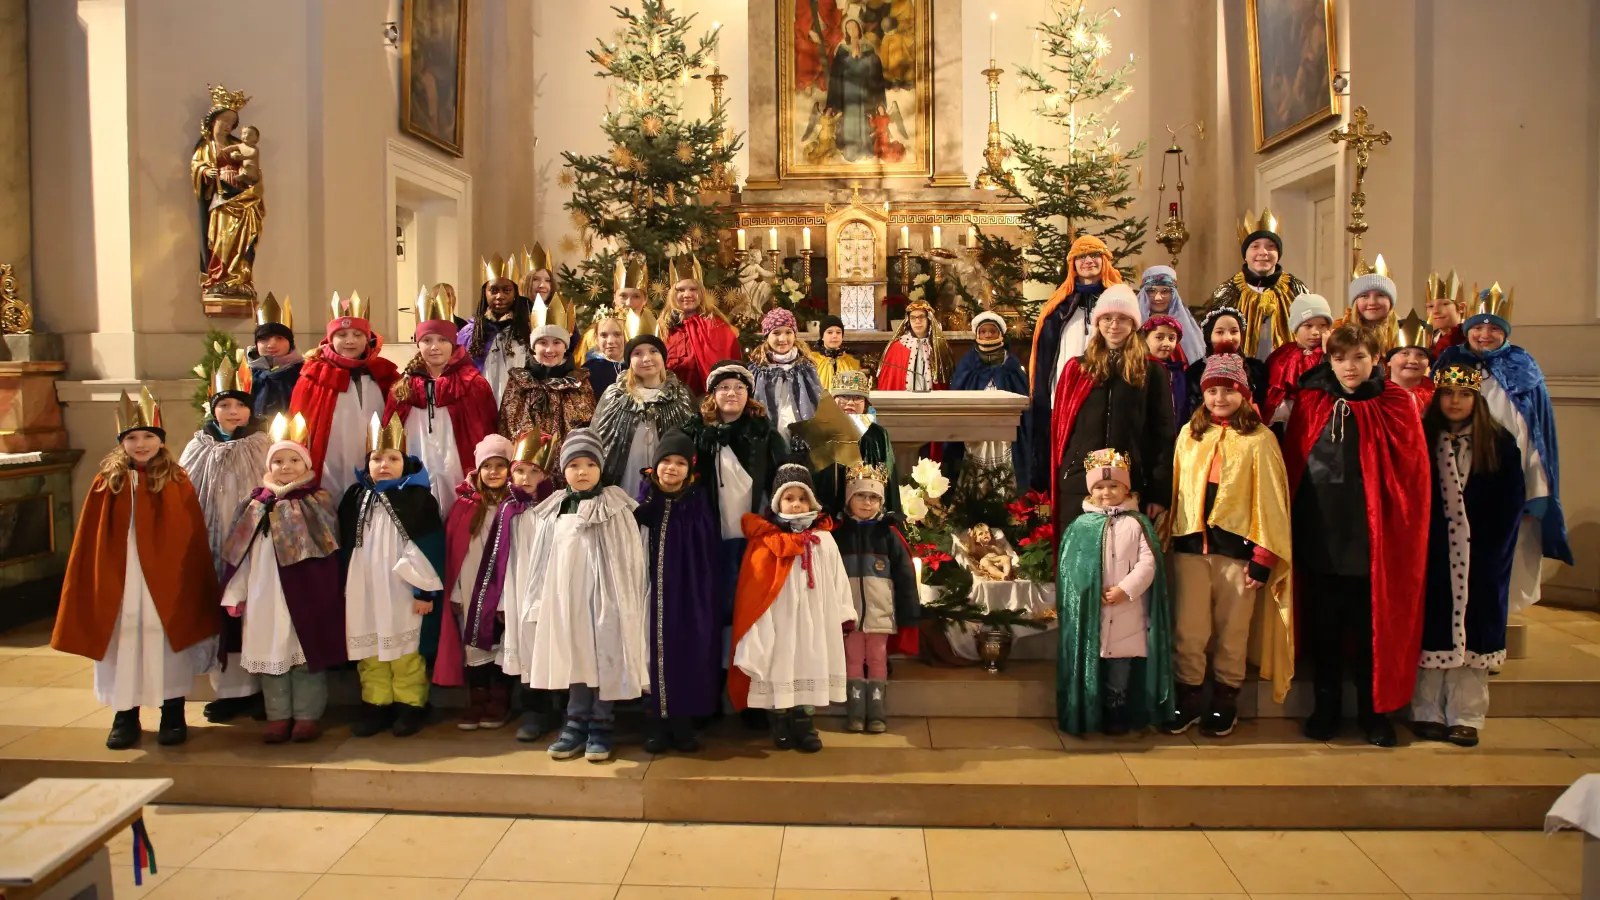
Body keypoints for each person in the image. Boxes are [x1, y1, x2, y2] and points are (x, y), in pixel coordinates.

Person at [1284, 324, 1429, 746]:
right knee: (1326, 628)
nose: (1350, 366)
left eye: (1359, 357)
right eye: (1341, 358)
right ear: (1329, 361)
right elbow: (1293, 466)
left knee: (1371, 631)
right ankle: (1326, 708)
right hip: (1321, 533)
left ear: (1376, 360)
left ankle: (1374, 713)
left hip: (1375, 539)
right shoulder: (1312, 402)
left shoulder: (1396, 403)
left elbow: (1412, 477)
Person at [53, 388, 219, 750]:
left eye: (148, 436)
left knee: (164, 638)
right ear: (122, 442)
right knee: (122, 638)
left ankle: (172, 711)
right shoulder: (106, 483)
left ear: (161, 440)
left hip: (165, 581)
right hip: (122, 577)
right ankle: (124, 713)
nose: (140, 443)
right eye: (132, 437)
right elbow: (91, 542)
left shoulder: (177, 481)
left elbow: (188, 538)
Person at [1165, 355, 1294, 738]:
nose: (1220, 398)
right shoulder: (1191, 434)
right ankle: (1188, 695)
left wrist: (1263, 556)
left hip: (1238, 552)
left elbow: (1270, 499)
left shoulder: (1260, 439)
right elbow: (1177, 490)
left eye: (1228, 390)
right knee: (1189, 627)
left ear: (1243, 393)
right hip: (1191, 546)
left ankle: (1225, 697)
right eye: (1212, 391)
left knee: (1232, 629)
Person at [1434, 284, 1572, 610]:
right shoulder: (1450, 361)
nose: (1484, 334)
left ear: (1505, 332)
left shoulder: (1522, 366)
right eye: (1478, 327)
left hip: (1508, 472)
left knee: (1501, 557)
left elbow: (1539, 433)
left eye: (1494, 328)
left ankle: (1494, 627)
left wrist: (1535, 491)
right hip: (1454, 470)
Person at [1413, 362, 1525, 748]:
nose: (1455, 401)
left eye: (1463, 395)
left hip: (1483, 556)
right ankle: (1427, 711)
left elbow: (1510, 504)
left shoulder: (1498, 443)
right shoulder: (1423, 439)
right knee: (1433, 629)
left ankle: (1467, 714)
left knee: (1475, 634)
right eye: (1448, 394)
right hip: (1434, 554)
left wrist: (1492, 551)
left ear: (1475, 399)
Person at [521, 429, 649, 763]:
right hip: (567, 601)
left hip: (606, 600)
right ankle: (575, 722)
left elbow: (630, 558)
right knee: (575, 659)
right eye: (574, 465)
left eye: (590, 464)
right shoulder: (554, 510)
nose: (582, 471)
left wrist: (626, 602)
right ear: (563, 471)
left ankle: (601, 725)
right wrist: (537, 601)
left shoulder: (616, 507)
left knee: (602, 658)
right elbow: (540, 560)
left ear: (600, 468)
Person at [217, 413, 344, 744]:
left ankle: (306, 716)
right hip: (264, 597)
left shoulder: (318, 501)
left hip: (307, 597)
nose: (285, 467)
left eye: (293, 461)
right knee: (271, 659)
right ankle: (277, 716)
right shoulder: (256, 505)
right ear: (268, 467)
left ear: (306, 466)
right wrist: (236, 592)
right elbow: (239, 553)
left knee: (305, 658)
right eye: (278, 461)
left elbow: (328, 553)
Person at [730, 464, 855, 752]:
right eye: (789, 497)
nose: (796, 503)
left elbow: (837, 577)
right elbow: (756, 585)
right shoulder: (767, 540)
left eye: (802, 497)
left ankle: (804, 722)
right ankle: (779, 719)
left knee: (809, 663)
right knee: (780, 666)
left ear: (812, 501)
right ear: (777, 502)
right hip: (780, 620)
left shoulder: (823, 539)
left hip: (814, 619)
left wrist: (843, 614)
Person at [340, 412, 447, 739]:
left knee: (405, 652)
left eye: (392, 458)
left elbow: (428, 546)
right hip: (364, 589)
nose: (383, 464)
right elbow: (346, 546)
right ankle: (376, 705)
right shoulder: (354, 498)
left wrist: (424, 591)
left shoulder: (417, 499)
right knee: (370, 650)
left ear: (405, 461)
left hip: (403, 590)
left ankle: (410, 705)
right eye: (376, 458)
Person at [1055, 448, 1173, 736]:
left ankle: (1117, 709)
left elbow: (1149, 564)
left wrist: (1125, 589)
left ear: (1126, 488)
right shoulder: (1080, 526)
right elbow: (1070, 569)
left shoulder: (1137, 524)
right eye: (1099, 487)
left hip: (1127, 612)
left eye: (1113, 486)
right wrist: (1087, 591)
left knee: (1120, 666)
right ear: (1090, 491)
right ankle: (1092, 710)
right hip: (1093, 612)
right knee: (1093, 662)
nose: (1106, 493)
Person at [179, 351, 269, 723]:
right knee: (223, 616)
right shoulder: (198, 446)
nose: (233, 412)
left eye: (240, 405)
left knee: (259, 612)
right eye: (226, 405)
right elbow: (184, 492)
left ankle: (266, 688)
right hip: (215, 544)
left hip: (257, 545)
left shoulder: (263, 444)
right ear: (213, 408)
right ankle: (231, 691)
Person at [684, 361, 790, 669]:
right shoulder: (695, 433)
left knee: (750, 611)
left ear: (748, 394)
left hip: (752, 538)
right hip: (707, 537)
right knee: (710, 610)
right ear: (712, 394)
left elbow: (782, 479)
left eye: (739, 388)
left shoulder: (764, 435)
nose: (732, 393)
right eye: (724, 387)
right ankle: (711, 688)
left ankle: (747, 691)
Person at [1047, 285, 1174, 525]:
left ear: (1133, 324)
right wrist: (1064, 473)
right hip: (1079, 482)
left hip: (1130, 482)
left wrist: (1158, 491)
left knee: (1124, 558)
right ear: (1098, 322)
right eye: (1107, 318)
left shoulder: (1152, 370)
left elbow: (1163, 435)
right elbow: (1061, 430)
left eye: (1122, 319)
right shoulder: (1077, 369)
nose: (1114, 325)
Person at [634, 431, 723, 754]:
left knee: (686, 652)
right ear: (655, 465)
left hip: (687, 594)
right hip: (649, 593)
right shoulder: (643, 501)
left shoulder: (697, 504)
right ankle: (655, 725)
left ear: (691, 469)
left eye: (680, 463)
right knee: (650, 654)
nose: (672, 468)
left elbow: (705, 552)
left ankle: (682, 724)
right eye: (666, 461)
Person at [1027, 234, 1124, 491]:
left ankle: (1107, 498)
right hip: (1065, 392)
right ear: (1072, 264)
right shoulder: (1059, 306)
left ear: (1104, 260)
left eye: (1093, 255)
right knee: (1070, 452)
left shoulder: (1119, 301)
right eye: (1081, 257)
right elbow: (1046, 356)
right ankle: (1070, 497)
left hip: (1108, 391)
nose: (1088, 261)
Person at [384, 293, 498, 510]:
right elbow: (391, 431)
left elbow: (485, 428)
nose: (434, 347)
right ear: (418, 344)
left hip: (457, 462)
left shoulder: (473, 383)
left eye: (442, 340)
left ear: (453, 343)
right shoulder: (403, 386)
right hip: (417, 459)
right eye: (427, 340)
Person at [438, 435, 520, 731]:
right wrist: (457, 592)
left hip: (505, 592)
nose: (494, 472)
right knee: (475, 647)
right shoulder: (465, 506)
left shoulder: (518, 507)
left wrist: (506, 599)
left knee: (502, 644)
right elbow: (456, 554)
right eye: (488, 466)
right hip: (473, 591)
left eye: (501, 465)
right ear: (478, 470)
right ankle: (478, 697)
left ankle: (500, 698)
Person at [290, 292, 402, 500]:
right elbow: (298, 427)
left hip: (375, 463)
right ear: (331, 338)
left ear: (367, 338)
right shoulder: (314, 376)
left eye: (358, 335)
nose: (350, 341)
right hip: (329, 464)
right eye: (342, 335)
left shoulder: (384, 373)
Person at [833, 462, 918, 734]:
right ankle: (856, 713)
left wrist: (909, 612)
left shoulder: (889, 535)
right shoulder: (837, 535)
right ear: (849, 499)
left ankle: (877, 712)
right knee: (854, 659)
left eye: (874, 497)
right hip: (850, 614)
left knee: (878, 659)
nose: (867, 503)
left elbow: (905, 578)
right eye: (860, 495)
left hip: (881, 613)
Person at [492, 431, 562, 743]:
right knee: (528, 651)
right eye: (520, 470)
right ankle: (534, 710)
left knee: (555, 647)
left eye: (535, 471)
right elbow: (500, 560)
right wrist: (503, 602)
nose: (526, 477)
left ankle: (563, 709)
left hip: (553, 593)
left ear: (547, 474)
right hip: (519, 590)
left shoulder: (559, 508)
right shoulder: (508, 511)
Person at [591, 333, 695, 500]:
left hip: (668, 480)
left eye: (654, 351)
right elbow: (598, 440)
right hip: (625, 479)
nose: (646, 358)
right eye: (637, 353)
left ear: (663, 357)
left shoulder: (681, 395)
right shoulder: (614, 395)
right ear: (629, 361)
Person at [497, 316, 595, 484]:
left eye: (557, 342)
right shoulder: (519, 382)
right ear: (533, 347)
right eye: (543, 342)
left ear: (566, 346)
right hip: (528, 474)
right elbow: (508, 426)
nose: (550, 349)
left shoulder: (579, 382)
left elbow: (587, 427)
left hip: (569, 471)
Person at [945, 310, 1031, 491]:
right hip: (974, 426)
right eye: (983, 331)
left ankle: (1005, 498)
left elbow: (1022, 393)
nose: (988, 334)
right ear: (977, 334)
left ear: (1000, 334)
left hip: (1005, 427)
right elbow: (958, 390)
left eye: (992, 331)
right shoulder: (968, 362)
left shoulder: (1011, 363)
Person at [1206, 210, 1307, 358]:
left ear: (1278, 253)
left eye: (1271, 246)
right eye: (1255, 246)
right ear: (1245, 254)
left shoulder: (1295, 289)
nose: (1263, 252)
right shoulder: (1227, 291)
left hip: (1285, 370)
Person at [814, 369, 901, 518]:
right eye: (843, 397)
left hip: (865, 510)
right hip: (825, 510)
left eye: (857, 398)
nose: (850, 403)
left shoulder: (877, 434)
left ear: (866, 404)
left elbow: (889, 473)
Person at [659, 256, 742, 396]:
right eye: (680, 290)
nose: (687, 294)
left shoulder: (716, 326)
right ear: (673, 293)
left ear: (701, 292)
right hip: (671, 401)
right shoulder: (662, 328)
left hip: (706, 400)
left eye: (693, 289)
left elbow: (729, 365)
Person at [458, 254, 532, 405]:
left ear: (515, 293)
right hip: (479, 405)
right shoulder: (470, 333)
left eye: (506, 290)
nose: (500, 296)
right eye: (493, 290)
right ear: (484, 293)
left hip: (518, 407)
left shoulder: (526, 331)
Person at [750, 308, 825, 439]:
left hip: (799, 434)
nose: (782, 338)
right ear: (767, 336)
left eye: (788, 332)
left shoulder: (805, 367)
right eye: (776, 333)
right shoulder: (757, 370)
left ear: (794, 335)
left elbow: (817, 401)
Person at [1262, 294, 1333, 428]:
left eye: (1322, 325)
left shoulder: (1332, 353)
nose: (1316, 332)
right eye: (1308, 326)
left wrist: (1330, 353)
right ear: (1295, 328)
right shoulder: (1283, 357)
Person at [825, 16, 887, 162]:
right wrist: (832, 104)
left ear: (860, 28)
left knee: (864, 118)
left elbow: (877, 77)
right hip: (847, 93)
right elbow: (835, 77)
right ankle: (850, 148)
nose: (852, 31)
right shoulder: (841, 50)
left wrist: (879, 102)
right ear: (845, 31)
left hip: (865, 91)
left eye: (855, 27)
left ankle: (864, 147)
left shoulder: (869, 48)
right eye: (849, 28)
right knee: (849, 119)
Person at [876, 299, 952, 392]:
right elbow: (888, 382)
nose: (917, 321)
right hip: (902, 403)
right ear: (908, 320)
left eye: (921, 317)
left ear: (929, 318)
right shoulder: (897, 348)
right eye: (913, 318)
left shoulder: (939, 346)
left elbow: (947, 381)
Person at [247, 293, 303, 419]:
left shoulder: (304, 372)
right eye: (265, 339)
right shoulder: (245, 373)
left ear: (290, 342)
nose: (272, 344)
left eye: (279, 338)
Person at [1137, 265, 1204, 364]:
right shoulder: (1133, 324)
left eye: (1165, 291)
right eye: (1152, 291)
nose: (1158, 298)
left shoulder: (1188, 327)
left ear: (1173, 294)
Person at [1338, 261, 1400, 355]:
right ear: (1356, 302)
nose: (1372, 302)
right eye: (1364, 296)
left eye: (1380, 295)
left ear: (1390, 301)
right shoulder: (1339, 330)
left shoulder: (1402, 332)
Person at [1141, 315, 1191, 425]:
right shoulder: (1140, 370)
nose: (1166, 343)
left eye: (1172, 338)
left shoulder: (1178, 371)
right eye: (1159, 337)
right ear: (1145, 339)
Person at [1386, 310, 1435, 413]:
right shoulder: (1376, 395)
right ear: (1389, 361)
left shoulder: (1437, 397)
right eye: (1405, 353)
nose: (1413, 361)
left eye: (1421, 355)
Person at [580, 309, 628, 399]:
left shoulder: (634, 365)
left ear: (625, 336)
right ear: (596, 338)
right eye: (604, 335)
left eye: (617, 334)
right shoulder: (588, 371)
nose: (610, 341)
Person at [810, 314, 861, 389]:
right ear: (822, 336)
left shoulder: (852, 361)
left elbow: (857, 388)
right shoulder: (812, 361)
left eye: (838, 332)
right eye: (829, 332)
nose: (834, 336)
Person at [1426, 269, 1468, 357]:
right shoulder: (1428, 341)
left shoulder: (1472, 338)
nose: (1436, 311)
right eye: (1430, 306)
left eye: (1444, 304)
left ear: (1461, 307)